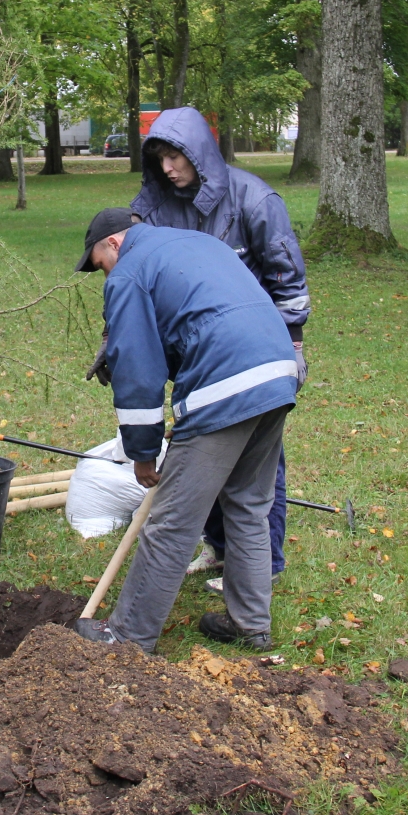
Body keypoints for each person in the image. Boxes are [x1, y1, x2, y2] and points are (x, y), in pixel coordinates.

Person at [74, 208, 297, 652]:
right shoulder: (198, 242)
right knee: (248, 504)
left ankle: (128, 635)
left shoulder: (129, 274)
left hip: (228, 380)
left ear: (114, 244)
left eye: (99, 264)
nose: (104, 276)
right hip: (278, 370)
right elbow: (200, 317)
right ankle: (250, 624)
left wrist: (142, 453)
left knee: (172, 521)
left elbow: (139, 375)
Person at [128, 106, 310, 589]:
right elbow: (136, 274)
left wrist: (292, 341)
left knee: (255, 461)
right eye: (160, 159)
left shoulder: (253, 199)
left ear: (199, 152)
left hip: (251, 348)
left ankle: (261, 564)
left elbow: (286, 276)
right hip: (192, 354)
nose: (169, 168)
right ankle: (219, 548)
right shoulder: (153, 207)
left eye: (176, 157)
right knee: (197, 453)